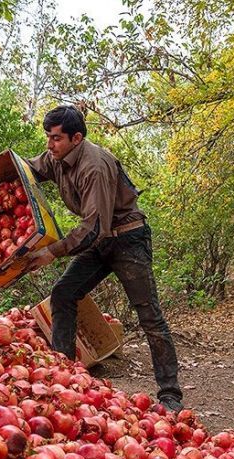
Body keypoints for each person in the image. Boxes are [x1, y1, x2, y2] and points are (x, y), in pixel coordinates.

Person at [25, 105, 184, 412]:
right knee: (63, 293)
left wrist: (51, 252)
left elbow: (92, 228)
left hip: (127, 240)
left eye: (56, 138)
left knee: (149, 315)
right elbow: (27, 169)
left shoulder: (94, 166)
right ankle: (64, 379)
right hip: (100, 240)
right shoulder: (56, 157)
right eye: (48, 137)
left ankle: (170, 395)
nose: (49, 144)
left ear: (76, 138)